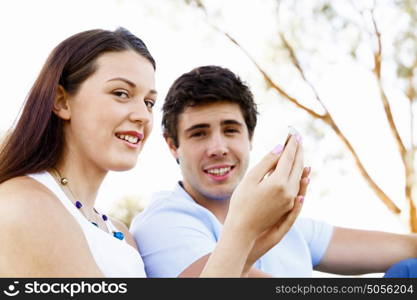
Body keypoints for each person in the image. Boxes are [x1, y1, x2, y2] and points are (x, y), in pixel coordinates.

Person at [0, 28, 307, 277]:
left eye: (148, 102)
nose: (143, 116)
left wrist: (251, 243)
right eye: (121, 93)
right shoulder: (26, 203)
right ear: (62, 101)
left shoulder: (119, 233)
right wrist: (241, 230)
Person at [130, 65, 417, 278]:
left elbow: (404, 248)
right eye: (198, 134)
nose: (217, 148)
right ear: (172, 146)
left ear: (250, 137)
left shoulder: (286, 222)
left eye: (230, 130)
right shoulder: (161, 222)